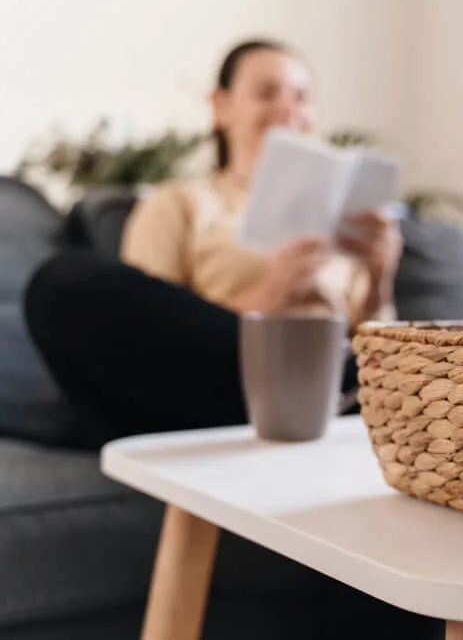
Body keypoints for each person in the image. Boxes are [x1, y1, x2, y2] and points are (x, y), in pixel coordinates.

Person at [23, 39, 402, 449]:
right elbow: (154, 334)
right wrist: (270, 294)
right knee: (63, 281)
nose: (289, 109)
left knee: (386, 363)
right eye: (266, 93)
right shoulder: (180, 203)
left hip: (340, 378)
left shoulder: (342, 220)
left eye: (302, 96)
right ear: (221, 107)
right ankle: (341, 396)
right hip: (219, 387)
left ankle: (346, 395)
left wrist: (380, 275)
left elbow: (375, 344)